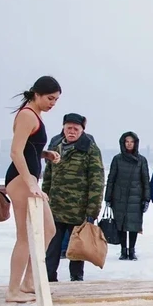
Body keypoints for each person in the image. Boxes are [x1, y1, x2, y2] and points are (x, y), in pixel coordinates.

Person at [4, 76, 62, 303]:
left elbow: (29, 149)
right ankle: (12, 290)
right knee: (25, 236)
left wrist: (45, 154)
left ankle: (28, 282)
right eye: (50, 98)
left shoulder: (34, 115)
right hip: (20, 179)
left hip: (27, 178)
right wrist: (30, 183)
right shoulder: (27, 115)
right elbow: (16, 152)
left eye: (56, 100)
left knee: (48, 230)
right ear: (36, 94)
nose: (52, 103)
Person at [42, 113, 105, 282]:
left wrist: (92, 210)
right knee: (51, 247)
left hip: (78, 209)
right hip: (55, 207)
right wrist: (44, 198)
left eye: (75, 129)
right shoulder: (55, 146)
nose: (71, 131)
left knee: (78, 248)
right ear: (63, 128)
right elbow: (48, 175)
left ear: (82, 130)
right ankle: (49, 279)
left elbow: (96, 181)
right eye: (68, 128)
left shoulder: (90, 149)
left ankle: (76, 280)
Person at [106, 132, 150, 260]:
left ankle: (132, 250)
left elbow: (145, 181)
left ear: (136, 143)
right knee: (121, 224)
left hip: (136, 197)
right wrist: (108, 197)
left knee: (133, 225)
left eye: (132, 142)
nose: (129, 144)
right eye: (127, 142)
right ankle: (123, 250)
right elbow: (111, 179)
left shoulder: (141, 160)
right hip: (119, 197)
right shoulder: (117, 159)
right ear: (123, 143)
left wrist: (146, 198)